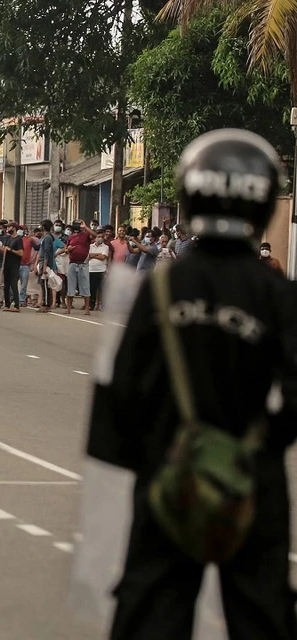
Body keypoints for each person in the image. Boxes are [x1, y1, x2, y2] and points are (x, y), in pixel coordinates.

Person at [86, 129, 297, 639]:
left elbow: (118, 390)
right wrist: (260, 445)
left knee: (150, 610)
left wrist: (153, 455)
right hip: (251, 482)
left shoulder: (159, 286)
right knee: (263, 615)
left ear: (188, 192)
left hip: (168, 474)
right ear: (264, 200)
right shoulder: (275, 293)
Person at [0, 221, 24, 312]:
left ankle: (17, 305)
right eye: (7, 227)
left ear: (14, 228)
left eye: (9, 227)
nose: (8, 229)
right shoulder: (7, 238)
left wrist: (11, 250)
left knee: (13, 285)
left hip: (14, 264)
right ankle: (7, 304)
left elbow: (21, 253)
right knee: (6, 285)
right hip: (6, 263)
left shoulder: (18, 239)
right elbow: (3, 250)